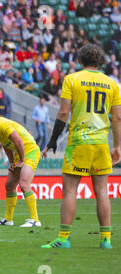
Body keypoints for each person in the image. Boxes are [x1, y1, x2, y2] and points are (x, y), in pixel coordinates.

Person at [41, 44, 121, 249]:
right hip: (101, 143)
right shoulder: (111, 83)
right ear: (101, 61)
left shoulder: (72, 79)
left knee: (69, 191)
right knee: (102, 191)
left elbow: (62, 113)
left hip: (78, 143)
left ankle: (64, 238)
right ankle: (106, 240)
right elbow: (118, 118)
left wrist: (52, 140)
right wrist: (118, 145)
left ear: (80, 60)